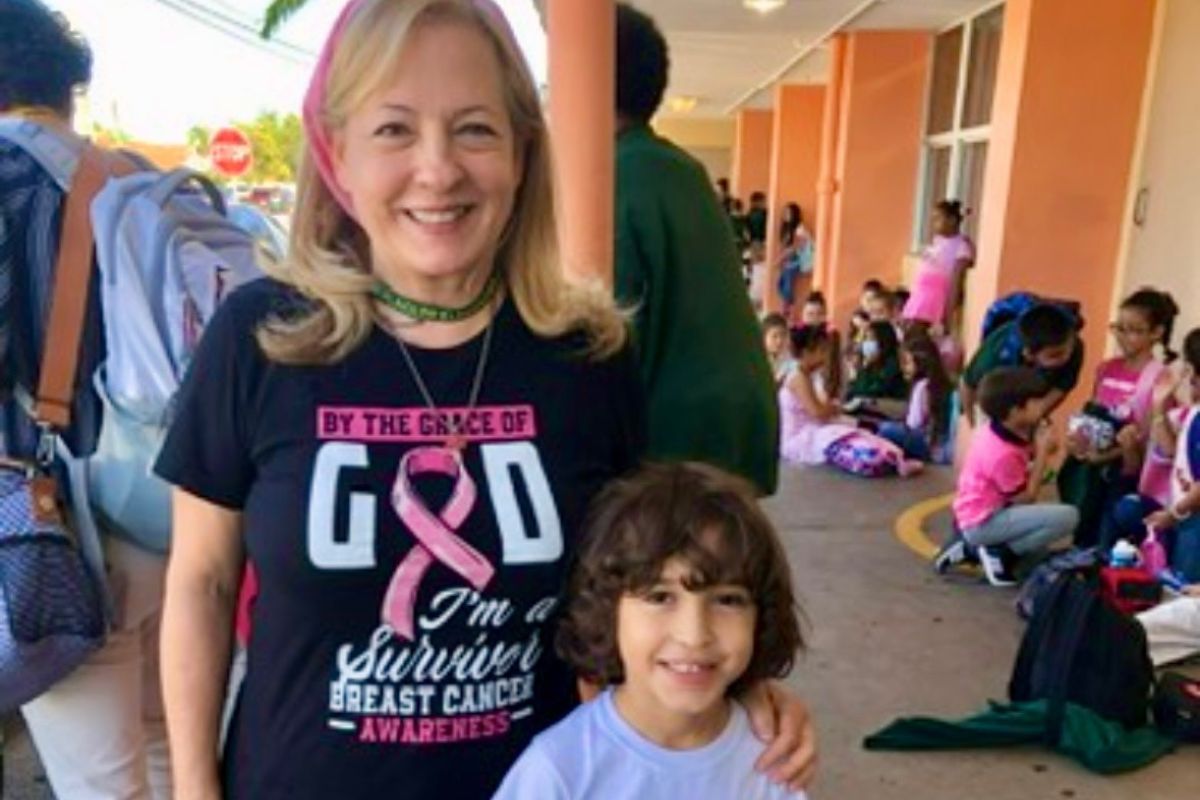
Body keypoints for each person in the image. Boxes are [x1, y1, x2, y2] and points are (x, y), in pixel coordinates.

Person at [155, 3, 814, 798]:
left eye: (474, 129)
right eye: (394, 130)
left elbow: (651, 576)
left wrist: (737, 695)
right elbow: (201, 583)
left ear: (522, 152)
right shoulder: (260, 338)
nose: (438, 170)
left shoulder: (588, 353)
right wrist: (193, 789)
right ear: (337, 152)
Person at [0, 3, 172, 797]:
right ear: (66, 88)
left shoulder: (7, 180)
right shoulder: (146, 184)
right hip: (179, 514)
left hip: (58, 531)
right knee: (175, 753)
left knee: (103, 786)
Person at [492, 462, 808, 799]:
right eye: (660, 597)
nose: (694, 635)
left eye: (728, 600)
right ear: (608, 611)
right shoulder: (559, 770)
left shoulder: (773, 757)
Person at [614, 2, 778, 496]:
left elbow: (606, 336)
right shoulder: (680, 168)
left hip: (676, 440)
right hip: (734, 421)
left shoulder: (614, 178)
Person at [1056, 288, 1179, 546]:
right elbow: (1094, 413)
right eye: (1119, 328)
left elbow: (1149, 439)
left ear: (1156, 332)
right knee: (1083, 532)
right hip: (1095, 469)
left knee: (1107, 542)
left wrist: (1107, 455)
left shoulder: (1159, 378)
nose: (1123, 337)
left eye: (1133, 330)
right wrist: (1079, 440)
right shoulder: (1106, 368)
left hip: (1128, 473)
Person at [940, 368, 1079, 586]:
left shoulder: (997, 428)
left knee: (1040, 532)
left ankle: (986, 547)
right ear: (1015, 411)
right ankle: (998, 551)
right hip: (982, 521)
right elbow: (1026, 497)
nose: (1042, 406)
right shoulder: (1001, 454)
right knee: (1068, 517)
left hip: (977, 512)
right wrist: (1043, 453)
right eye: (1036, 402)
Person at [780, 326, 919, 478]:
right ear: (806, 353)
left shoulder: (808, 376)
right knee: (850, 440)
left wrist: (830, 407)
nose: (824, 356)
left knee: (860, 434)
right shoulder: (798, 378)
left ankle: (897, 458)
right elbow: (817, 412)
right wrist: (832, 407)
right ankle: (890, 460)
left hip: (814, 429)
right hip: (802, 437)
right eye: (821, 351)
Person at [1139, 328, 1200, 583]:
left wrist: (1173, 514)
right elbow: (1173, 451)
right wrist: (1159, 405)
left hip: (1192, 518)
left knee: (1186, 587)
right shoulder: (1194, 411)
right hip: (1187, 512)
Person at [960, 302, 1085, 425]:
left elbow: (1062, 387)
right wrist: (973, 424)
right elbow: (967, 384)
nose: (1066, 357)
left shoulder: (1072, 345)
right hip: (995, 397)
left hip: (1032, 395)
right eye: (1054, 355)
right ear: (1029, 355)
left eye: (1068, 349)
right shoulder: (997, 352)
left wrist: (1039, 411)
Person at [878, 333, 953, 463]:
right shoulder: (940, 384)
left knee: (885, 428)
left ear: (921, 363)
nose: (904, 368)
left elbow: (914, 423)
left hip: (927, 445)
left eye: (908, 363)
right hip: (936, 444)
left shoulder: (922, 386)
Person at [902, 200, 974, 331]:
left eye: (937, 219)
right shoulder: (937, 242)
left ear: (952, 220)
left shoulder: (961, 247)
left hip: (934, 299)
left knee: (918, 333)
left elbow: (956, 282)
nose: (933, 223)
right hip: (920, 295)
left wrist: (948, 315)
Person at [845, 320, 907, 404]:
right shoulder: (871, 363)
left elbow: (869, 392)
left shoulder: (892, 365)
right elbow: (853, 390)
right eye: (866, 338)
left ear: (884, 341)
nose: (867, 343)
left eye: (872, 339)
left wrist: (865, 369)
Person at [762, 313, 795, 387]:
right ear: (764, 337)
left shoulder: (793, 364)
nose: (779, 341)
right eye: (774, 336)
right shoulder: (757, 361)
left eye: (783, 335)